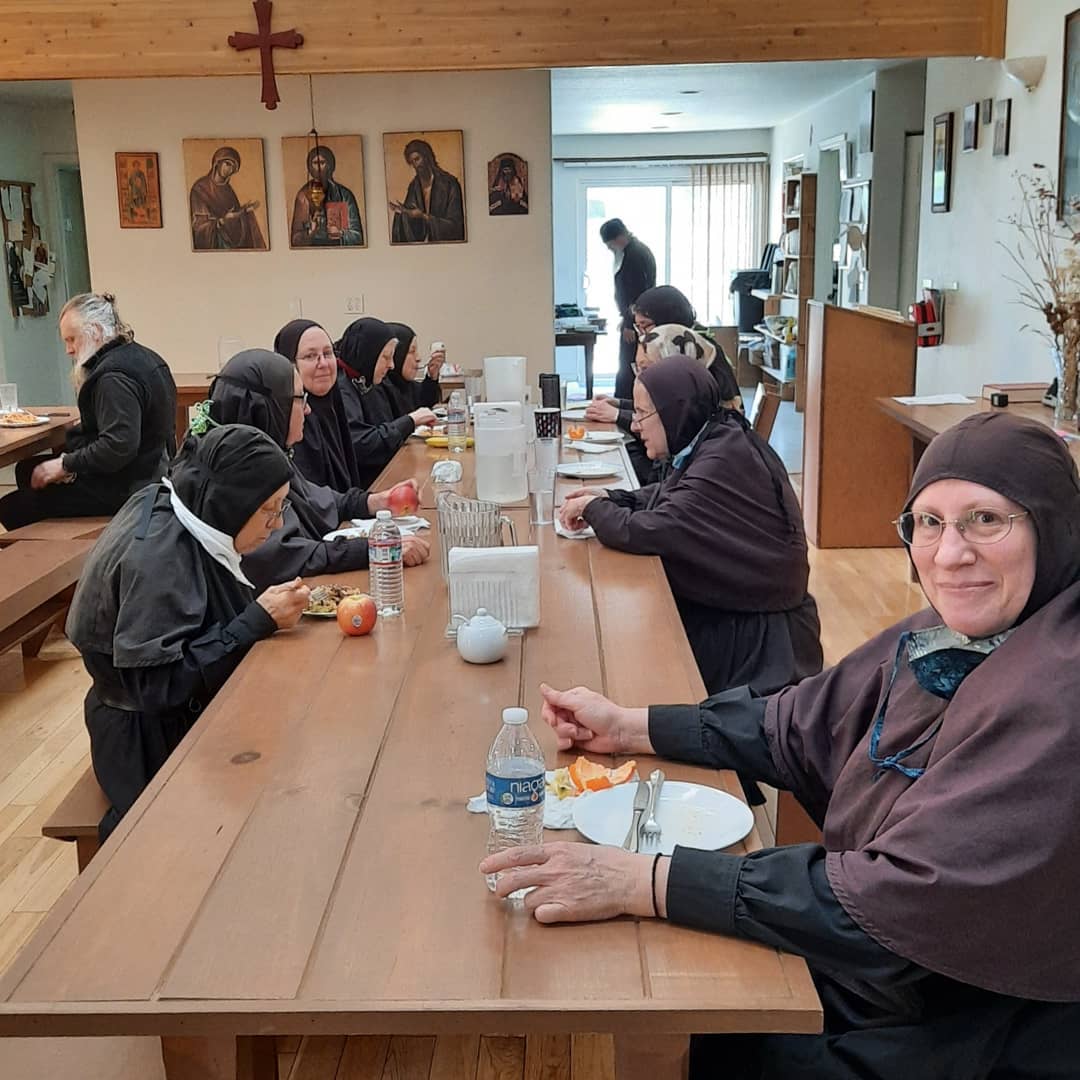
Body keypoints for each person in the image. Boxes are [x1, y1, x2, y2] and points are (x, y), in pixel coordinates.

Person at [485, 410, 1080, 1078]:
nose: (948, 554)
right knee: (705, 998)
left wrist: (649, 880)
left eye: (986, 520)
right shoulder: (949, 638)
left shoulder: (1057, 694)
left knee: (718, 1023)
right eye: (930, 522)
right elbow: (796, 723)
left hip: (977, 1022)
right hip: (896, 973)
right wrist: (632, 726)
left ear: (1053, 525)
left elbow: (900, 904)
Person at [66, 424, 310, 841]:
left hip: (166, 718)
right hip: (146, 742)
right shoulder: (159, 558)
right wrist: (256, 620)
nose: (275, 523)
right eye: (268, 509)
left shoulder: (179, 506)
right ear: (231, 504)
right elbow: (158, 685)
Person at [560, 356, 820, 698]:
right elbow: (674, 494)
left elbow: (655, 529)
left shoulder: (721, 458)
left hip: (761, 646)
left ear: (673, 411)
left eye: (642, 414)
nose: (635, 426)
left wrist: (595, 509)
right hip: (744, 614)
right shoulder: (717, 438)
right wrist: (614, 496)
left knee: (624, 658)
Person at [209, 348, 430, 589]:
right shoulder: (236, 471)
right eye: (299, 399)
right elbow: (283, 556)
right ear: (271, 408)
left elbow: (317, 499)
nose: (308, 409)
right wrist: (376, 547)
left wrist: (377, 501)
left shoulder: (266, 454)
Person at [0, 292, 177, 530]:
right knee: (27, 470)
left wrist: (66, 465)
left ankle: (52, 555)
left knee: (12, 506)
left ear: (94, 331)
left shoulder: (113, 378)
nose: (68, 350)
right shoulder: (142, 356)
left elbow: (118, 446)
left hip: (128, 488)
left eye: (72, 339)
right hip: (154, 470)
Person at [590, 321, 742, 485]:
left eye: (646, 368)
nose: (640, 377)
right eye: (638, 369)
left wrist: (618, 415)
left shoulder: (708, 440)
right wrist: (619, 404)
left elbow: (666, 488)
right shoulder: (699, 399)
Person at [335, 317, 437, 485]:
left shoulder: (364, 382)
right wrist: (410, 421)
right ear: (369, 354)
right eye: (386, 357)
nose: (391, 365)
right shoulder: (343, 388)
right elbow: (362, 444)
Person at [273, 319, 364, 491]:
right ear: (289, 365)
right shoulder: (286, 422)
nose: (323, 363)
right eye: (310, 356)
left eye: (328, 353)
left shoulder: (334, 404)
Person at [599, 218, 656, 400]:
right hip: (634, 318)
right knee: (627, 366)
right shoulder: (635, 251)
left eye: (610, 245)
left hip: (637, 321)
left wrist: (630, 323)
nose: (610, 249)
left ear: (619, 237)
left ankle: (623, 406)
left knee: (629, 366)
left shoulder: (634, 256)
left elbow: (636, 293)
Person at [189, 146, 266, 250]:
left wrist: (245, 211)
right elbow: (199, 226)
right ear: (217, 163)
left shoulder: (228, 191)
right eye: (228, 164)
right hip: (216, 244)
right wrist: (221, 221)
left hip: (230, 243)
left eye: (233, 168)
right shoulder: (200, 188)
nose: (229, 170)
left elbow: (234, 215)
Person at [389, 139, 466, 243]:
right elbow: (410, 226)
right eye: (412, 162)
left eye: (417, 159)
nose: (415, 165)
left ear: (427, 157)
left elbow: (456, 226)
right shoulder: (414, 187)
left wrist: (424, 217)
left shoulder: (449, 184)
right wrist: (402, 213)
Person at [289, 144, 364, 247]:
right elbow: (295, 240)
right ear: (310, 167)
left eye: (322, 163)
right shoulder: (303, 196)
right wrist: (310, 233)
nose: (319, 167)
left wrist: (340, 233)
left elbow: (358, 236)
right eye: (315, 163)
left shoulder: (344, 195)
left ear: (329, 165)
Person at [380, 322, 446, 416]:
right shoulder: (381, 390)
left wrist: (432, 376)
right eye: (412, 351)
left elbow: (424, 403)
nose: (418, 358)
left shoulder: (404, 384)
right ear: (397, 354)